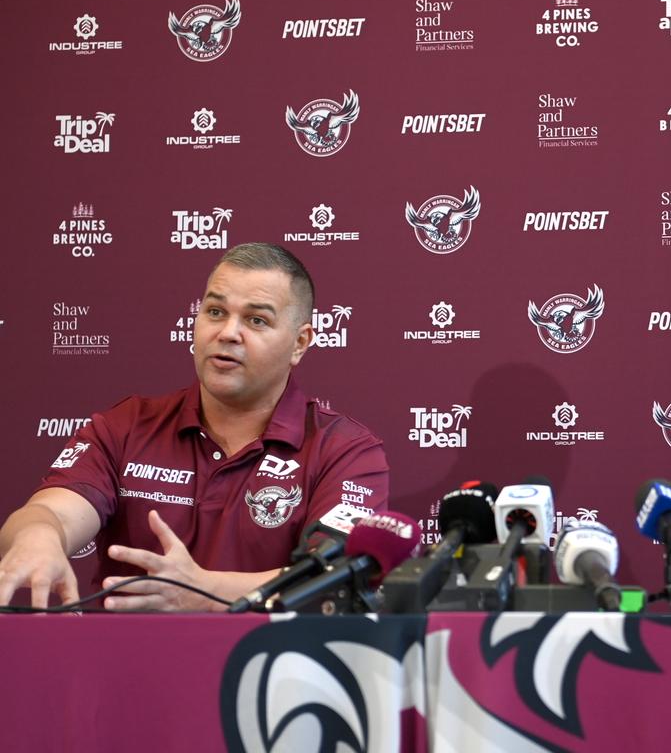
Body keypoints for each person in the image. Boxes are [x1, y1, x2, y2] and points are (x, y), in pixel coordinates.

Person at [0, 243, 388, 611]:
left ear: (299, 343)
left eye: (256, 320)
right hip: (121, 672)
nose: (228, 333)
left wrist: (202, 592)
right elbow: (53, 513)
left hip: (269, 671)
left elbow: (335, 579)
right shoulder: (126, 426)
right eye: (215, 312)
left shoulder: (345, 450)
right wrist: (39, 536)